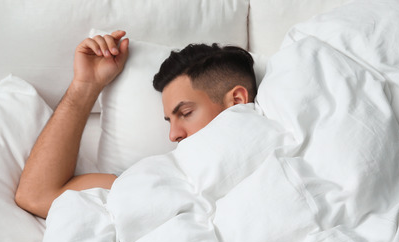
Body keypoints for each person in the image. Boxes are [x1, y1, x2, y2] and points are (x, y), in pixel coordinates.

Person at [15, 30, 258, 218]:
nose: (173, 135)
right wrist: (85, 85)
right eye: (169, 121)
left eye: (185, 112)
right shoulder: (159, 178)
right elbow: (37, 196)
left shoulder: (285, 148)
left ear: (236, 100)